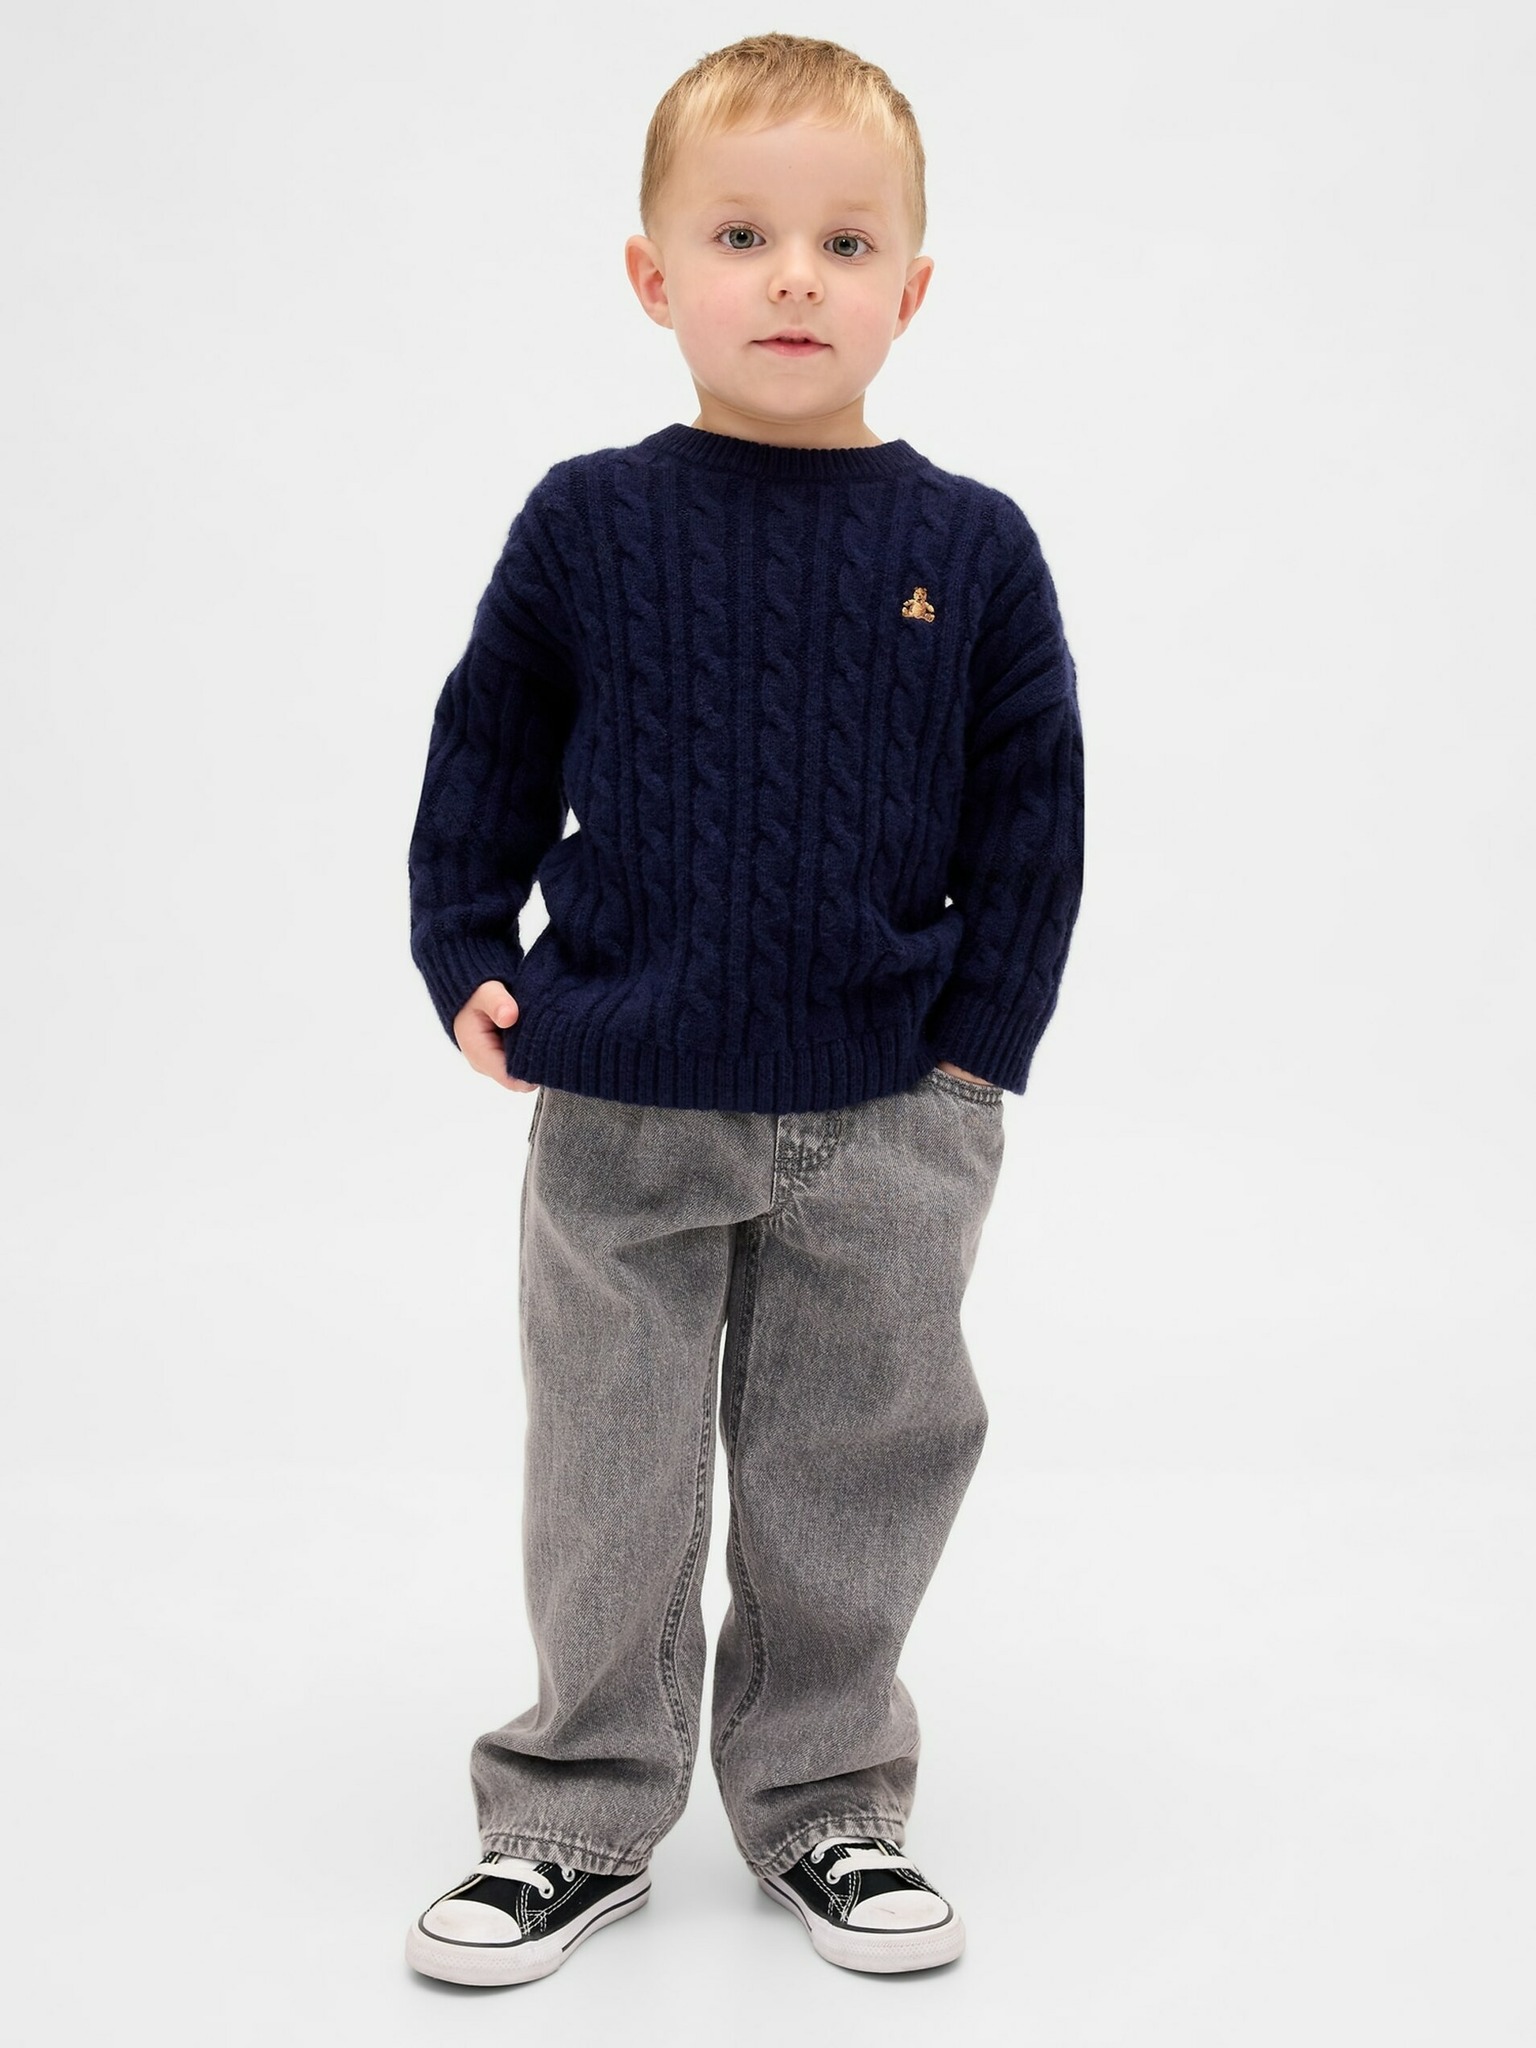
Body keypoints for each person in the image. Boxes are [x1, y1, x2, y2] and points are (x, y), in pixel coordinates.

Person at [403, 30, 1085, 1985]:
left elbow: (1033, 810)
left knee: (854, 1469)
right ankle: (571, 1812)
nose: (795, 277)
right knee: (607, 1471)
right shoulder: (588, 523)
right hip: (624, 1091)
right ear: (653, 275)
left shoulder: (971, 548)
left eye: (846, 243)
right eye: (741, 235)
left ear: (911, 289)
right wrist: (465, 943)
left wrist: (976, 1052)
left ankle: (828, 1802)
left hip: (890, 1104)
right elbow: (489, 745)